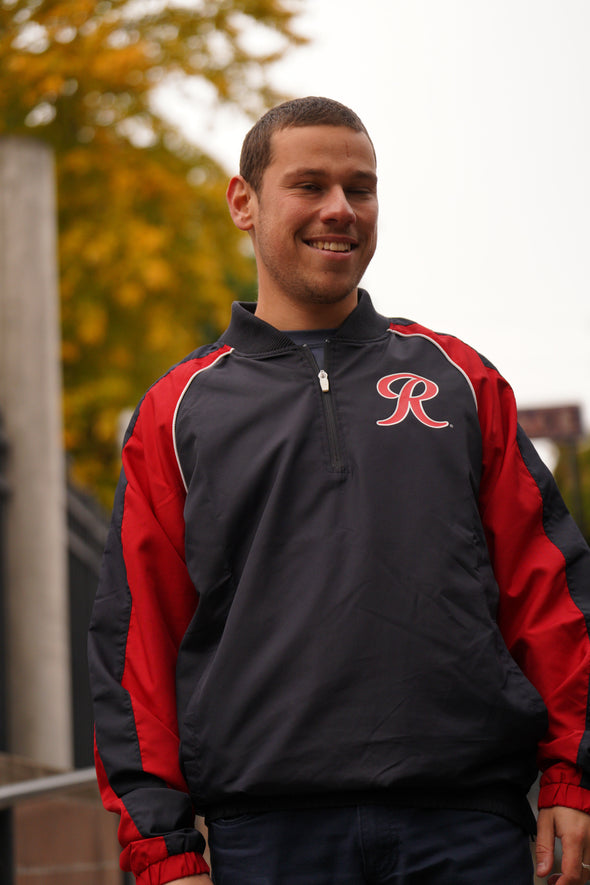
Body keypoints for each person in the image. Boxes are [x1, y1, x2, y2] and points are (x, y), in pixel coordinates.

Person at [89, 96, 590, 885]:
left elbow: (548, 589)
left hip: (469, 829)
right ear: (243, 202)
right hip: (267, 840)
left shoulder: (458, 380)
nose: (339, 210)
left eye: (361, 188)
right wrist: (161, 846)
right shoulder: (176, 412)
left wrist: (571, 772)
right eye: (310, 184)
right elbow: (137, 642)